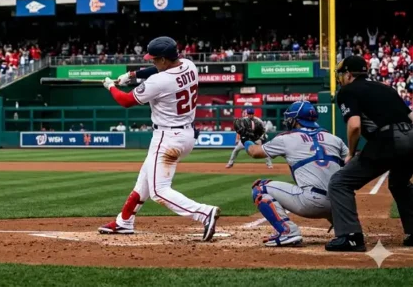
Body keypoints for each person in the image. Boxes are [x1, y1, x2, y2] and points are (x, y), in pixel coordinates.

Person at [98, 36, 220, 241]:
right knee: (144, 180)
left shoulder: (159, 81)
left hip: (167, 137)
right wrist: (132, 75)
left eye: (154, 59)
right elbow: (157, 70)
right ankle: (124, 222)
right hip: (186, 134)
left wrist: (111, 86)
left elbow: (126, 100)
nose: (152, 62)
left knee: (158, 191)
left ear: (164, 59)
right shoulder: (189, 65)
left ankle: (204, 212)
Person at [326, 55, 413, 251]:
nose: (340, 78)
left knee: (340, 182)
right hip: (411, 137)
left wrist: (351, 153)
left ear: (348, 74)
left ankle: (350, 237)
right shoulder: (386, 88)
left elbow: (355, 126)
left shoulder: (347, 91)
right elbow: (411, 116)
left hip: (389, 140)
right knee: (399, 183)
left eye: (341, 74)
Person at [243, 101, 348, 246]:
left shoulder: (286, 138)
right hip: (340, 204)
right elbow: (349, 165)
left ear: (296, 120)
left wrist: (246, 139)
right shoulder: (335, 139)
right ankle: (343, 227)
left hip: (311, 203)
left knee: (260, 188)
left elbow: (255, 152)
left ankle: (287, 232)